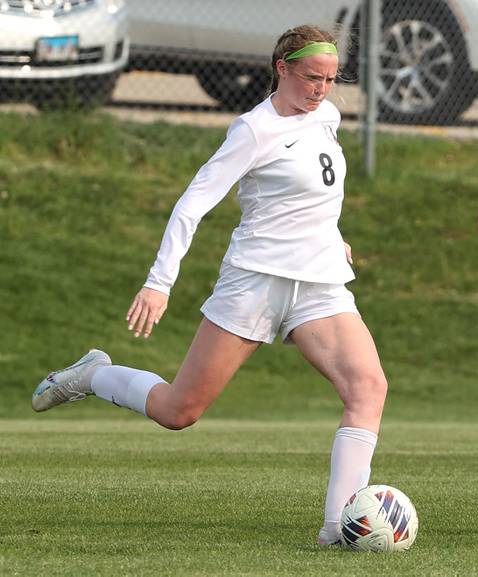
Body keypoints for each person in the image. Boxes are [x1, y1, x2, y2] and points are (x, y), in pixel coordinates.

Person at [31, 25, 388, 547]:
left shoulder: (327, 116)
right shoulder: (253, 130)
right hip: (254, 282)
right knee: (180, 411)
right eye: (312, 77)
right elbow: (192, 205)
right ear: (281, 68)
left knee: (368, 387)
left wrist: (334, 237)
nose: (321, 89)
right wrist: (159, 283)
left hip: (320, 283)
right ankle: (93, 376)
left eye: (331, 79)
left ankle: (339, 527)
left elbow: (318, 195)